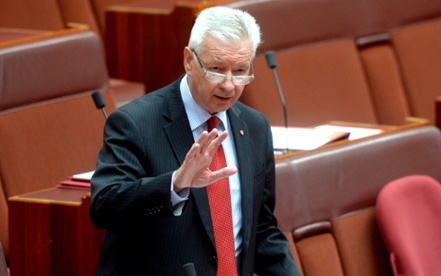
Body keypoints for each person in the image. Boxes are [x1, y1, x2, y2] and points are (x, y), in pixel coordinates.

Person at [90, 6, 301, 276]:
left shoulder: (255, 126)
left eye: (240, 71)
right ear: (189, 60)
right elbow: (104, 206)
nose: (228, 85)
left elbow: (261, 228)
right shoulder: (136, 123)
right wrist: (175, 184)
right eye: (216, 69)